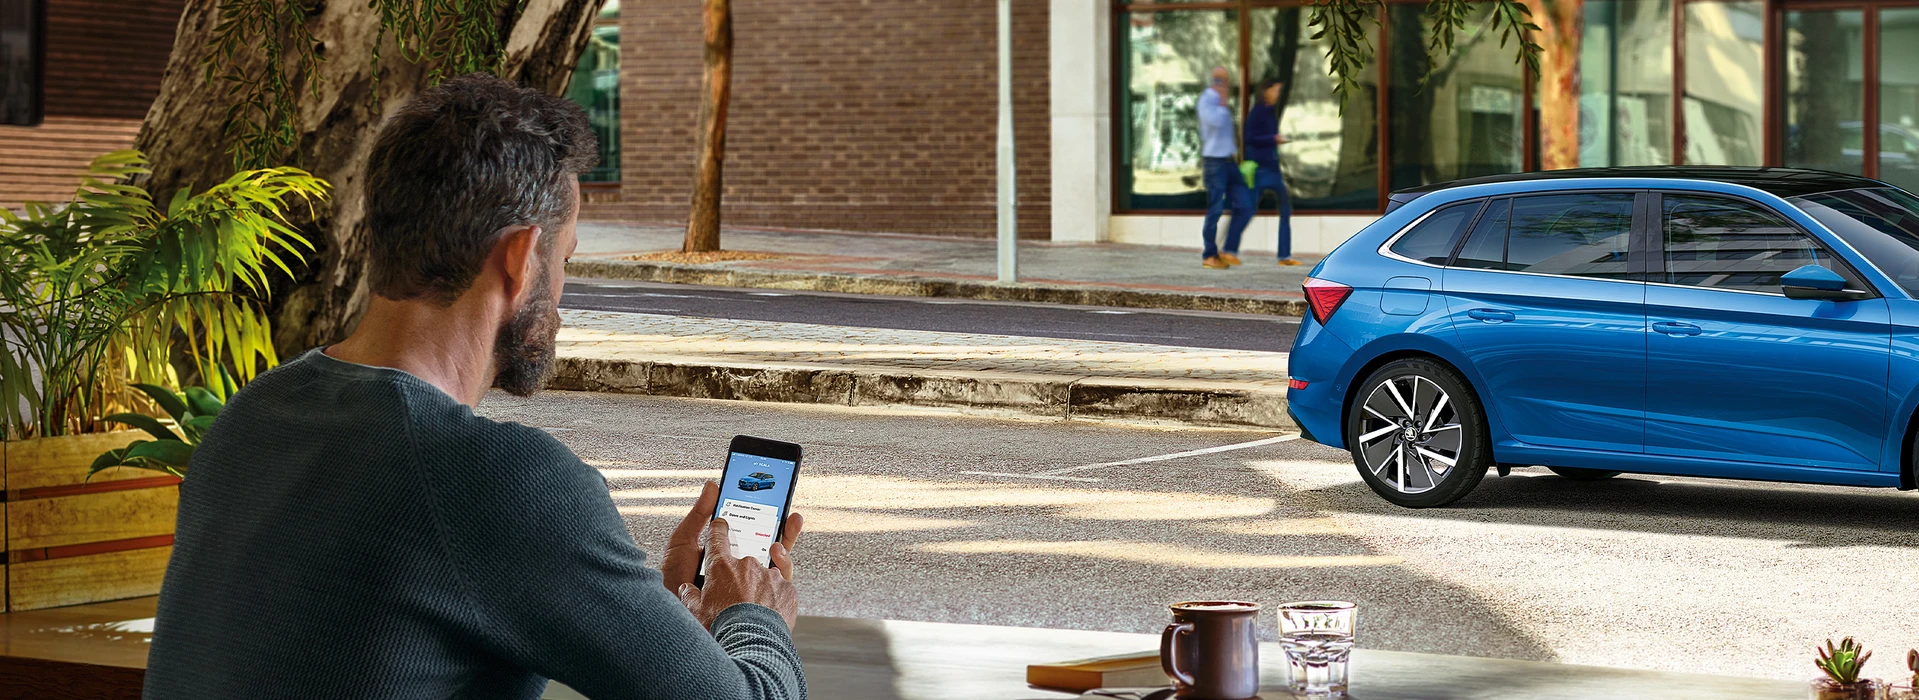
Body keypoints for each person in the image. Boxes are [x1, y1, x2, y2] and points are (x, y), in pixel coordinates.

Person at [143, 74, 807, 700]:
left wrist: (654, 619)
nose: (563, 292)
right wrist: (752, 612)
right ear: (520, 259)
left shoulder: (253, 417)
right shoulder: (499, 479)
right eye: (565, 256)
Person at [1197, 66, 1252, 269]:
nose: (1224, 85)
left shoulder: (1221, 102)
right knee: (1215, 209)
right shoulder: (1207, 99)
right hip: (1214, 163)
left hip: (1229, 162)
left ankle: (1228, 249)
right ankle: (1209, 254)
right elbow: (1215, 123)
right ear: (1213, 80)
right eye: (1220, 80)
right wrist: (1221, 101)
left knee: (1245, 205)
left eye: (1226, 81)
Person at [1244, 78, 1298, 266]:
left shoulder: (1269, 113)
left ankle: (1284, 255)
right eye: (1275, 90)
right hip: (1261, 168)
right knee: (1248, 209)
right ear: (1265, 91)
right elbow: (1249, 137)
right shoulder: (1257, 112)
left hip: (1273, 169)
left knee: (1285, 209)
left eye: (1279, 91)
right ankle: (1227, 248)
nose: (1277, 95)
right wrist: (1273, 138)